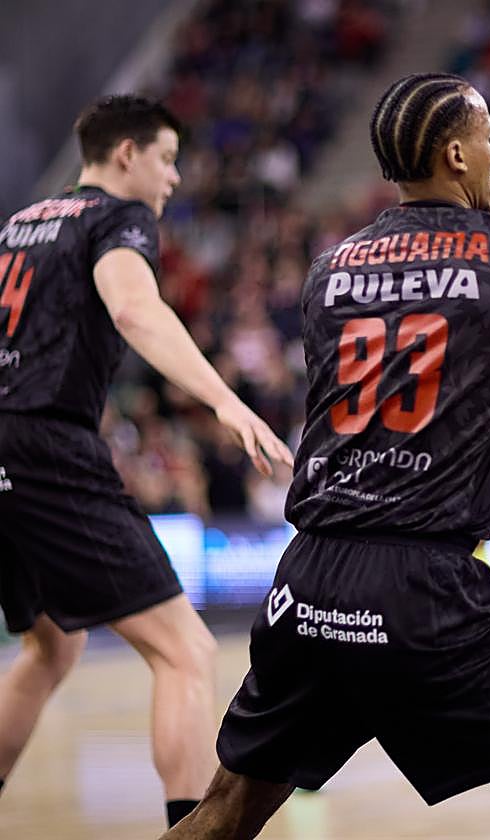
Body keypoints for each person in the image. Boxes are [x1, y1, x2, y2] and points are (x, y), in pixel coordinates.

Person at [163, 73, 490, 840]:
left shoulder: (332, 268)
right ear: (457, 155)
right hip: (422, 590)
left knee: (221, 817)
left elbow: (418, 408)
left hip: (309, 581)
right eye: (488, 137)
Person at [0, 95, 293, 826]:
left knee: (51, 646)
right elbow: (133, 308)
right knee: (186, 651)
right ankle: (189, 826)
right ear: (124, 154)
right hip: (46, 445)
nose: (173, 177)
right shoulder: (116, 217)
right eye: (165, 158)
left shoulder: (18, 224)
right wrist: (225, 401)